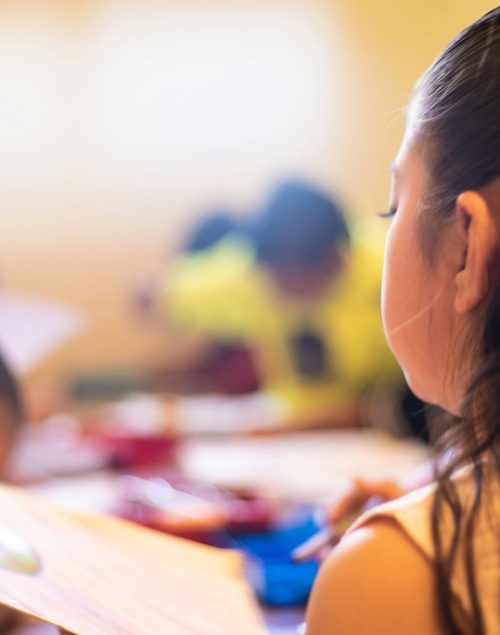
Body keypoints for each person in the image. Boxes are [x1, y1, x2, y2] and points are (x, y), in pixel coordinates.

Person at [306, 8, 500, 635]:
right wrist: (437, 489)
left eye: (394, 206)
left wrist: (395, 558)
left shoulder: (397, 577)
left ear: (468, 246)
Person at [162, 180, 403, 427]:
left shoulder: (391, 270)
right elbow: (163, 292)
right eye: (277, 276)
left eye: (298, 276)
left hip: (385, 427)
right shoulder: (252, 276)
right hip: (287, 428)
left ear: (334, 253)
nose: (287, 288)